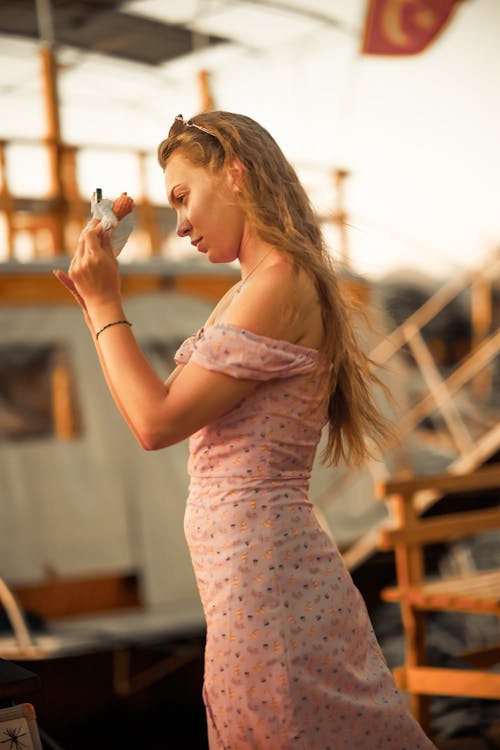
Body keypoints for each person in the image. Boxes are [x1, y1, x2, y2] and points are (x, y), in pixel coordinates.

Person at [55, 111, 436, 749]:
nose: (179, 225)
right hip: (251, 574)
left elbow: (154, 423)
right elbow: (155, 404)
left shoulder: (278, 283)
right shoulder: (248, 289)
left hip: (267, 577)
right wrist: (99, 302)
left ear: (235, 172)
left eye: (183, 197)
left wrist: (102, 305)